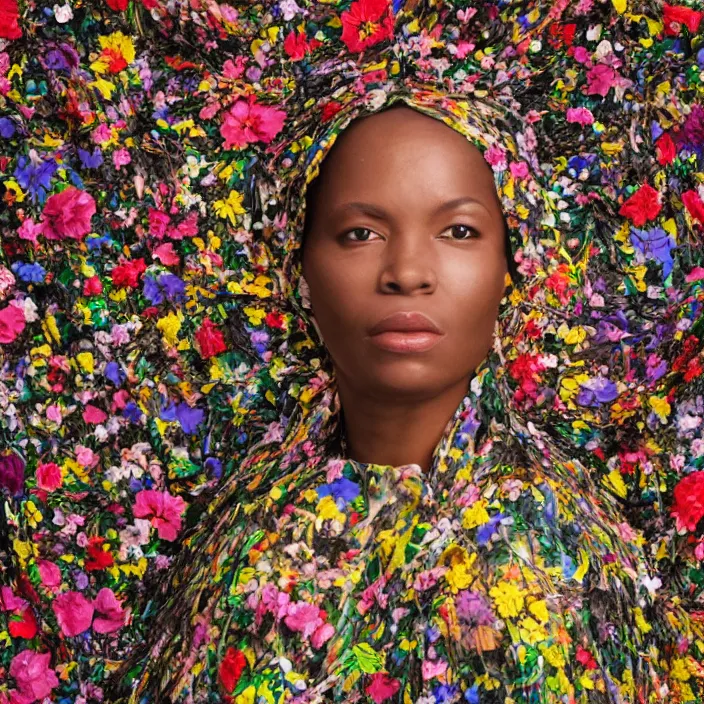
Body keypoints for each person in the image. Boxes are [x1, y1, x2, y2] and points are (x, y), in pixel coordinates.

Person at [2, 1, 704, 703]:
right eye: (360, 233)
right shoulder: (250, 518)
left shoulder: (554, 557)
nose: (407, 270)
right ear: (296, 267)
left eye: (458, 231)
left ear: (513, 267)